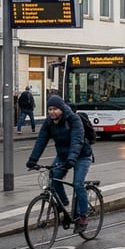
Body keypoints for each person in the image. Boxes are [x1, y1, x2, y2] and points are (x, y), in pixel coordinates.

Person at [26, 95, 94, 233]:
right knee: (54, 178)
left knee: (78, 184)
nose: (52, 112)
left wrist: (72, 159)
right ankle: (65, 205)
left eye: (55, 109)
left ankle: (83, 217)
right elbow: (41, 141)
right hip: (63, 156)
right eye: (50, 109)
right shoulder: (49, 123)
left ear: (62, 109)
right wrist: (32, 160)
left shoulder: (73, 119)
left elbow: (77, 140)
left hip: (81, 156)